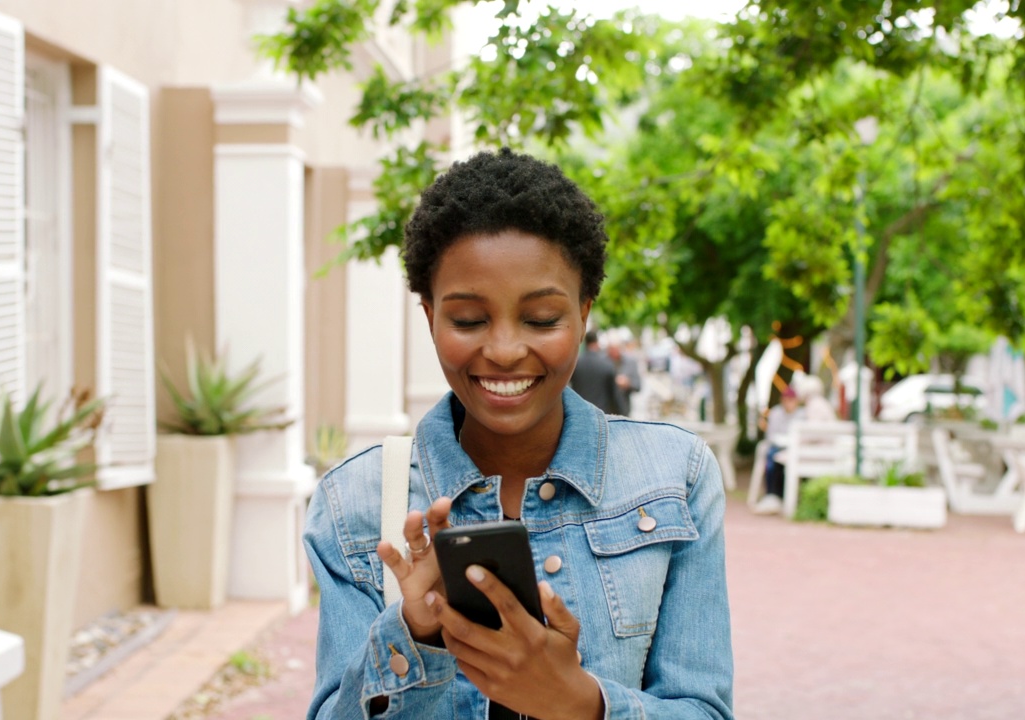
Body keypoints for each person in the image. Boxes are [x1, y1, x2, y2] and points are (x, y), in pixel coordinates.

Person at [303, 149, 734, 719]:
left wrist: (580, 703)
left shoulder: (673, 475)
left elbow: (705, 710)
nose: (504, 351)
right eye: (468, 320)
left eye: (540, 319)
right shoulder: (352, 503)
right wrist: (415, 635)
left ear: (584, 313)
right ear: (429, 316)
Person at [754, 386, 805, 515]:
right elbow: (771, 436)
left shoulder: (802, 414)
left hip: (794, 449)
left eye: (791, 400)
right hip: (777, 446)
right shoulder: (776, 413)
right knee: (771, 458)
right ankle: (771, 494)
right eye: (786, 399)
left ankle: (783, 497)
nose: (788, 403)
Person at [570, 330, 623, 415]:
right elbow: (614, 395)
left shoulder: (575, 364)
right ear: (597, 342)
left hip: (579, 413)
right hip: (602, 414)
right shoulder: (607, 365)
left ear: (585, 342)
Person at [607, 341, 643, 417]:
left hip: (624, 409)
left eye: (616, 349)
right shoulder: (603, 362)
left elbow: (638, 385)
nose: (614, 352)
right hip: (605, 410)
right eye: (612, 349)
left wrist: (627, 383)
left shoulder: (630, 362)